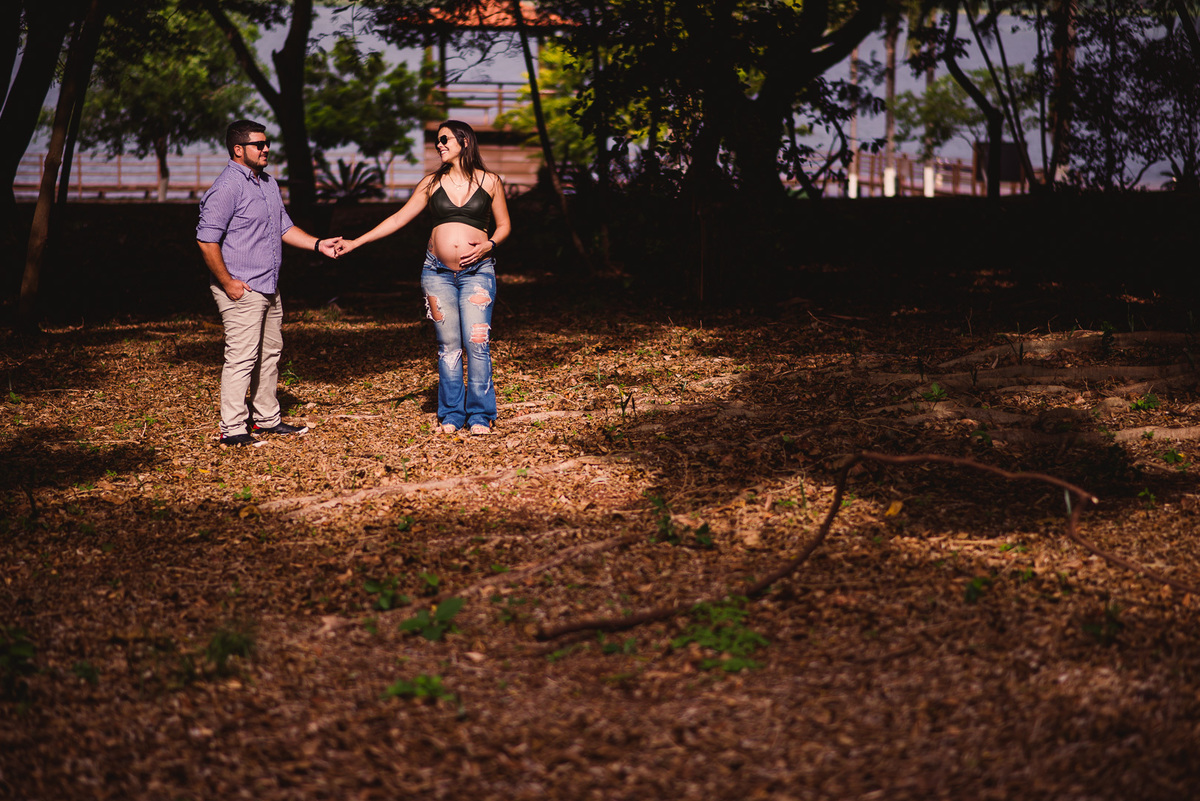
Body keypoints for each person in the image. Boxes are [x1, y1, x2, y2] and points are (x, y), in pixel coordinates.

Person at [338, 120, 511, 436]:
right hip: (437, 274)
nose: (439, 145)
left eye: (445, 139)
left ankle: (480, 415)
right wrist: (356, 242)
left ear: (465, 141)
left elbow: (504, 225)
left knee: (477, 342)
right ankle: (452, 414)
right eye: (437, 141)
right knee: (448, 346)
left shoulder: (491, 181)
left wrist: (490, 244)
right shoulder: (431, 183)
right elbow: (397, 218)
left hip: (478, 273)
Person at [197, 119, 341, 447]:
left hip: (268, 285)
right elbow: (206, 240)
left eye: (267, 143)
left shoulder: (267, 183)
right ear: (238, 149)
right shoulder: (227, 187)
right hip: (241, 289)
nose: (266, 149)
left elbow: (284, 227)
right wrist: (228, 282)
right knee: (242, 357)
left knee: (269, 354)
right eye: (258, 145)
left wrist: (319, 244)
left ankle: (266, 420)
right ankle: (232, 429)